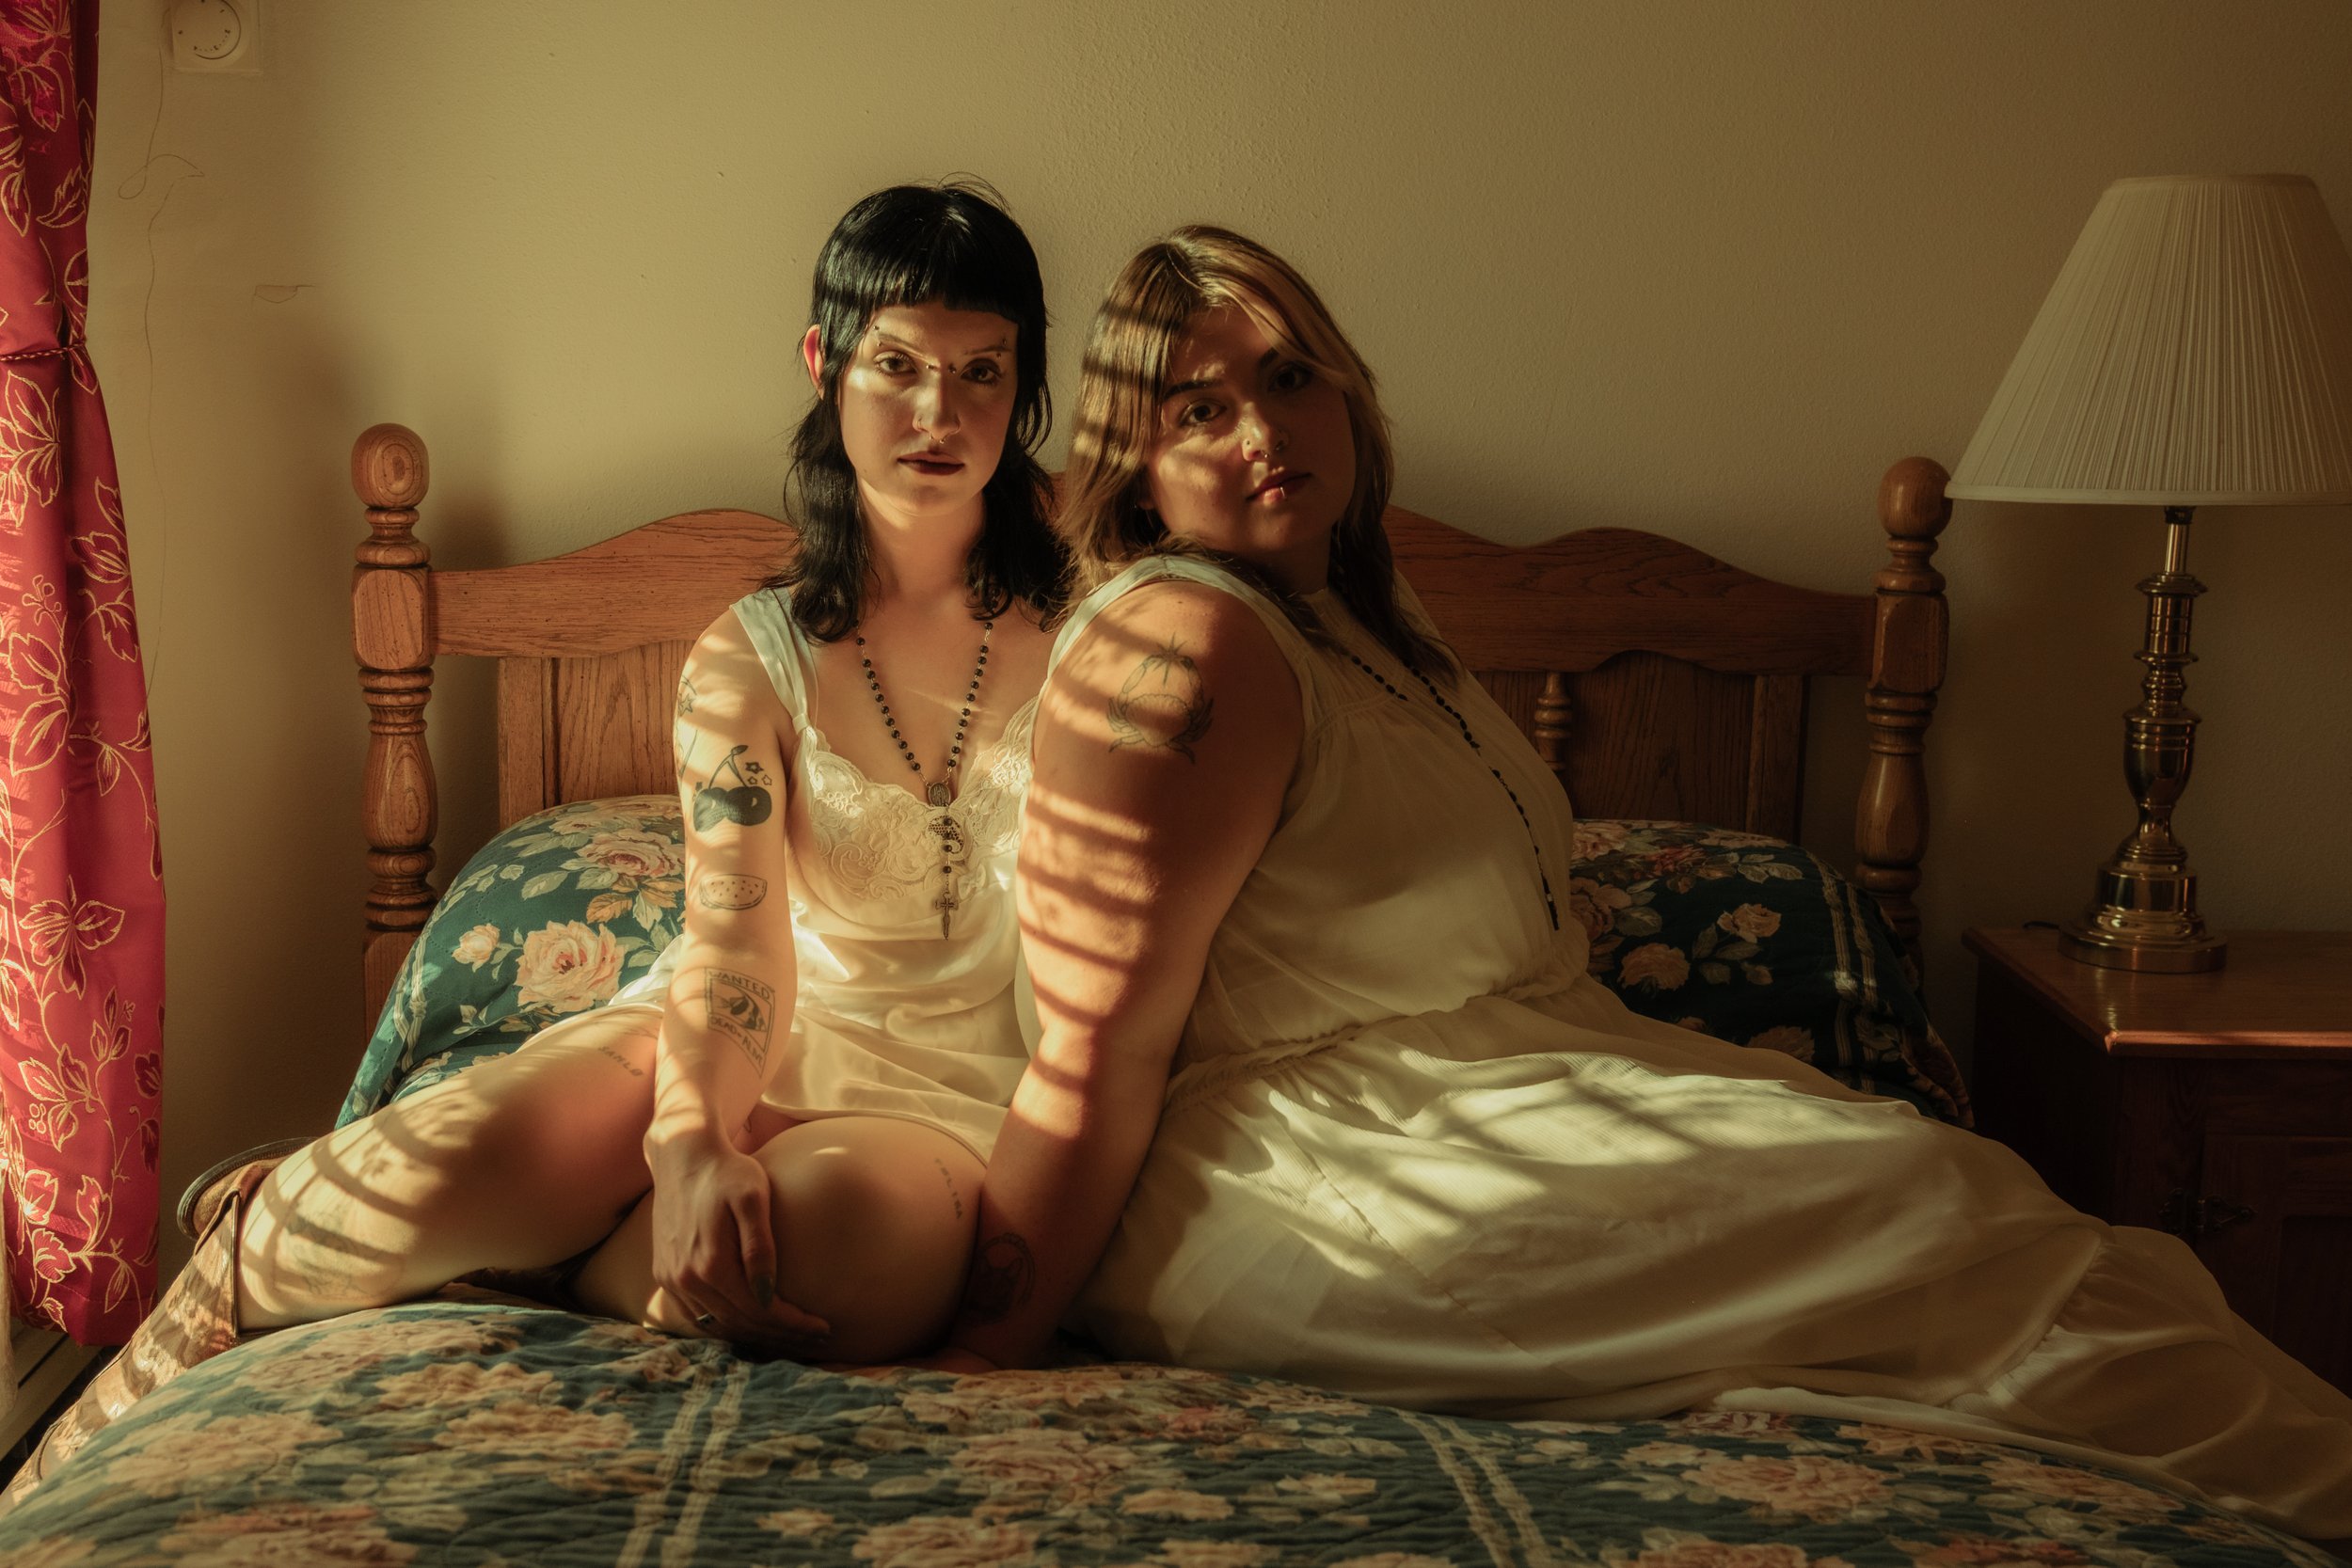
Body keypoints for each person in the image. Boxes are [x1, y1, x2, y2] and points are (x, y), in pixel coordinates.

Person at [933, 225, 2352, 1544]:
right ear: (1136, 458)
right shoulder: (1181, 642)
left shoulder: (1363, 615)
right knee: (1948, 1220)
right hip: (1325, 1170)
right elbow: (1093, 1045)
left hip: (1498, 1088)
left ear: (1350, 392)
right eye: (1197, 408)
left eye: (1289, 376)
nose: (1262, 430)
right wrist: (985, 1355)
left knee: (1975, 1213)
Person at [4, 180, 1063, 1502]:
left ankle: (539, 1266)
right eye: (897, 365)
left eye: (982, 372)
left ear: (1023, 390)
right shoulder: (756, 652)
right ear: (825, 365)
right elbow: (735, 944)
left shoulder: (1103, 632)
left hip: (952, 1100)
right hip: (738, 1022)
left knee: (825, 1244)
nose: (937, 413)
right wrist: (690, 1141)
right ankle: (69, 1457)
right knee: (418, 1173)